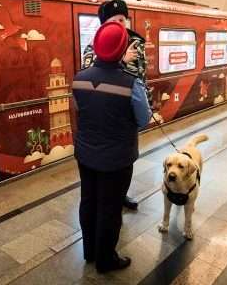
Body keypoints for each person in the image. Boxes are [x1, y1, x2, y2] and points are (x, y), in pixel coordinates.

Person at [72, 21, 152, 273]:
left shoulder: (79, 79)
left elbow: (81, 111)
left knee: (89, 201)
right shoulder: (131, 83)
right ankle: (106, 260)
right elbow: (143, 118)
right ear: (121, 51)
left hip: (85, 154)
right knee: (110, 207)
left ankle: (90, 252)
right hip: (117, 158)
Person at [82, 0, 155, 210]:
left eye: (123, 19)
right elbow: (91, 78)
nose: (121, 24)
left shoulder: (137, 44)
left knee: (125, 159)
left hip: (128, 113)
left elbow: (141, 78)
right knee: (106, 159)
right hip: (104, 112)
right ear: (105, 25)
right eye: (115, 20)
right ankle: (107, 200)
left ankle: (120, 194)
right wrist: (121, 61)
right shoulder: (94, 46)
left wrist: (145, 109)